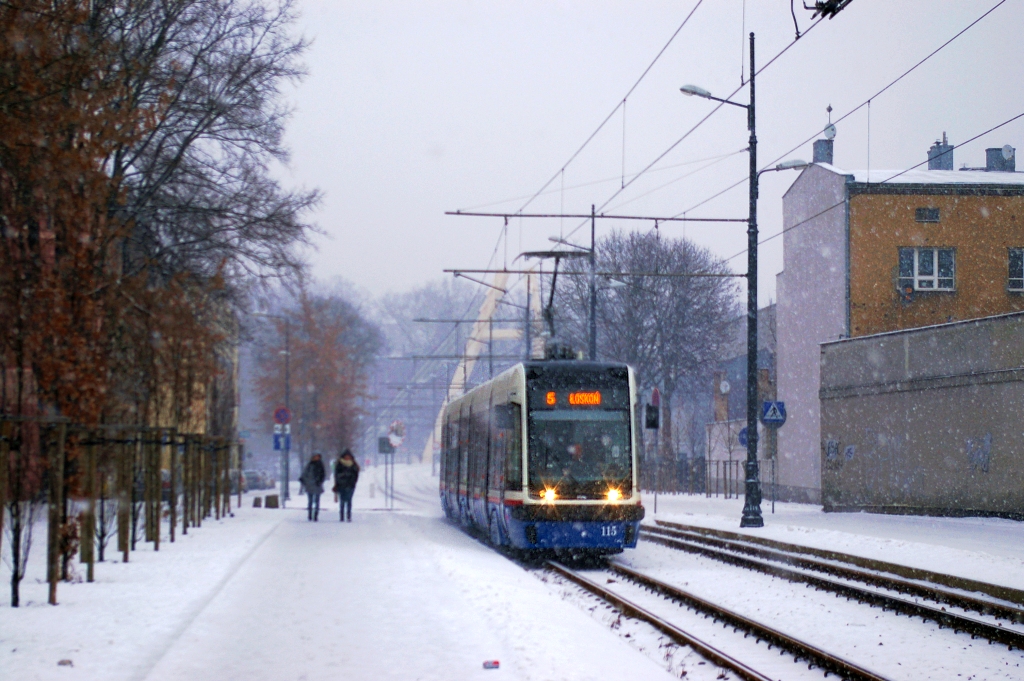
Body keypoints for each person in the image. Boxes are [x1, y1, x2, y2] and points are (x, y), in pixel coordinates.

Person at [333, 449, 360, 522]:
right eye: (346, 456)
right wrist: (341, 477)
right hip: (341, 485)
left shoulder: (354, 465)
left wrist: (352, 480)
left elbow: (356, 474)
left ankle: (348, 515)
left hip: (350, 485)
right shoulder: (339, 464)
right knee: (342, 501)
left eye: (348, 456)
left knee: (349, 501)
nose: (347, 458)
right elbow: (336, 474)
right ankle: (341, 515)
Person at [300, 454, 326, 521]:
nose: (316, 458)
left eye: (317, 457)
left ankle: (316, 515)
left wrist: (319, 481)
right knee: (310, 501)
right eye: (315, 457)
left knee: (317, 501)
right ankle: (310, 514)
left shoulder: (320, 465)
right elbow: (305, 473)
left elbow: (323, 475)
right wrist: (304, 480)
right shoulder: (309, 465)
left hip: (317, 485)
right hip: (310, 485)